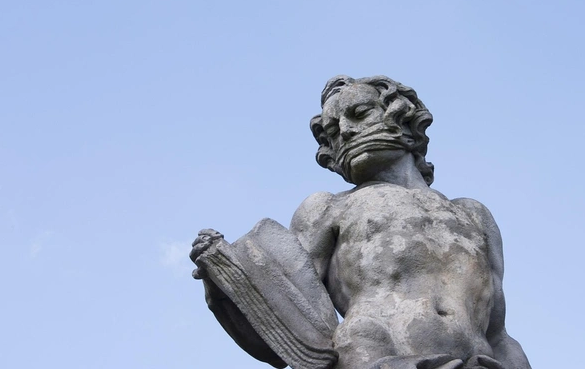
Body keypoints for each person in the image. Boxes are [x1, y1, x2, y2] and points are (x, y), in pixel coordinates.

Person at [191, 76, 531, 369]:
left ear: (404, 120)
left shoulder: (472, 213)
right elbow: (290, 305)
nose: (346, 131)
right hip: (375, 357)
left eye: (359, 113)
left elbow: (498, 333)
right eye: (332, 131)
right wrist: (227, 274)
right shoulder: (329, 207)